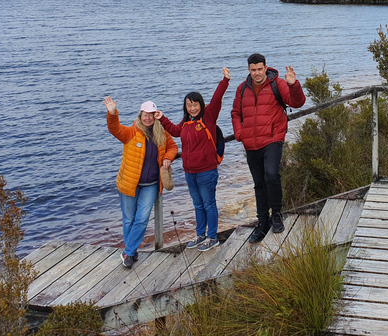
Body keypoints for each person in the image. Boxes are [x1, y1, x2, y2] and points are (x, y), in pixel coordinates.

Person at [231, 53, 306, 244]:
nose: (257, 73)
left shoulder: (277, 83)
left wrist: (293, 85)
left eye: (259, 69)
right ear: (249, 70)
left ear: (265, 68)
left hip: (272, 139)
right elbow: (235, 113)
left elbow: (297, 103)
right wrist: (239, 133)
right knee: (258, 183)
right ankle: (263, 222)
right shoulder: (242, 89)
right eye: (253, 70)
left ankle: (277, 215)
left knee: (271, 175)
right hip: (251, 142)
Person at [155, 68, 230, 252]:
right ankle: (200, 235)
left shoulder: (209, 117)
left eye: (196, 104)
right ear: (186, 107)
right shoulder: (186, 123)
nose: (193, 108)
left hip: (207, 171)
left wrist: (225, 80)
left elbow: (217, 99)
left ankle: (212, 237)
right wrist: (161, 118)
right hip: (190, 172)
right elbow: (174, 131)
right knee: (198, 205)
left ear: (201, 105)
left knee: (209, 204)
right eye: (189, 105)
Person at [103, 97, 178, 268]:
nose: (148, 118)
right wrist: (112, 112)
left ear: (156, 116)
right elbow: (114, 129)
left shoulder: (162, 132)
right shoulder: (131, 132)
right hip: (129, 183)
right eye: (145, 115)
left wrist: (167, 158)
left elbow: (173, 147)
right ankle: (131, 251)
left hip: (151, 184)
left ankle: (128, 252)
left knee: (142, 219)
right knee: (129, 219)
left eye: (152, 115)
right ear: (140, 115)